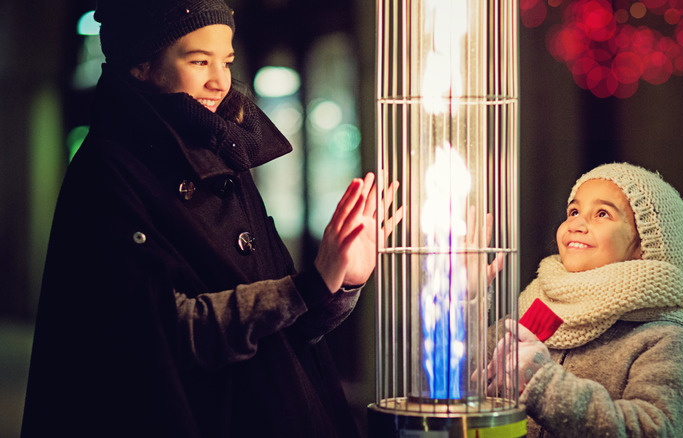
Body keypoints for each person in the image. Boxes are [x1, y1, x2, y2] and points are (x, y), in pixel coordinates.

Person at [21, 1, 400, 437]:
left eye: (227, 61)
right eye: (199, 61)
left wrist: (341, 283)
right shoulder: (108, 173)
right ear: (141, 65)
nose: (220, 81)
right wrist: (308, 285)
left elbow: (287, 330)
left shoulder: (222, 151)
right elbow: (160, 338)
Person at [486, 162, 683, 437]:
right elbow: (451, 375)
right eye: (574, 211)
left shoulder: (665, 336)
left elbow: (655, 429)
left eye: (602, 213)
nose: (577, 223)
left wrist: (543, 385)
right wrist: (465, 297)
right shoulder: (539, 306)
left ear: (644, 245)